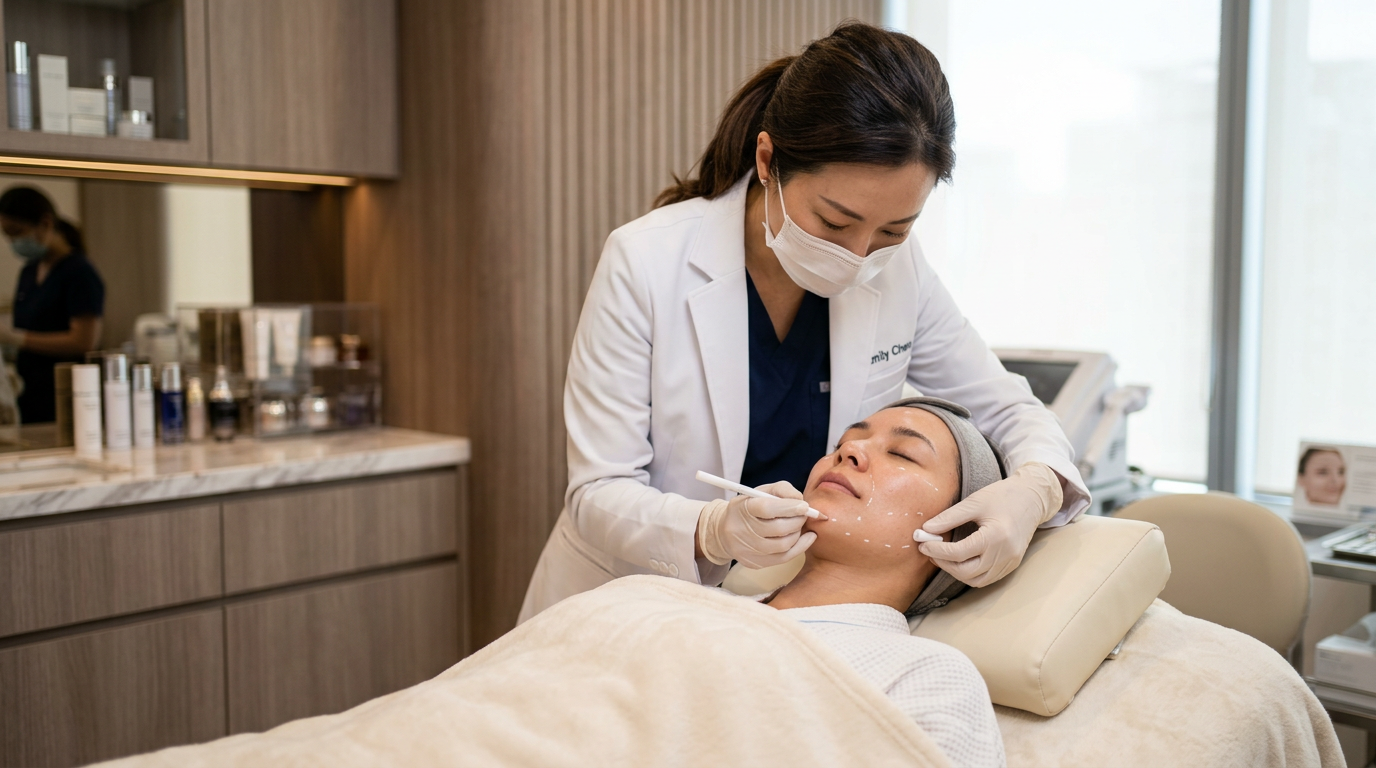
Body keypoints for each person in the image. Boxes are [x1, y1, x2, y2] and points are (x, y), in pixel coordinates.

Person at [520, 22, 1089, 622]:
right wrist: (711, 529)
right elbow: (597, 492)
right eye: (836, 222)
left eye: (894, 230)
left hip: (773, 614)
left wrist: (1036, 490)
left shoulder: (902, 272)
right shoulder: (647, 261)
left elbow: (1006, 408)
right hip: (621, 602)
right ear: (769, 161)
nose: (861, 255)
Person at [732, 397, 1008, 767]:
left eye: (903, 454)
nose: (851, 450)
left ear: (956, 534)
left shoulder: (927, 676)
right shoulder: (700, 599)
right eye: (842, 442)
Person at [0, 186, 104, 424]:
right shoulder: (29, 272)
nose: (14, 242)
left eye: (17, 232)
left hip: (64, 396)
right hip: (30, 395)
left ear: (45, 223)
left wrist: (17, 338)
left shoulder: (79, 273)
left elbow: (84, 340)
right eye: (7, 236)